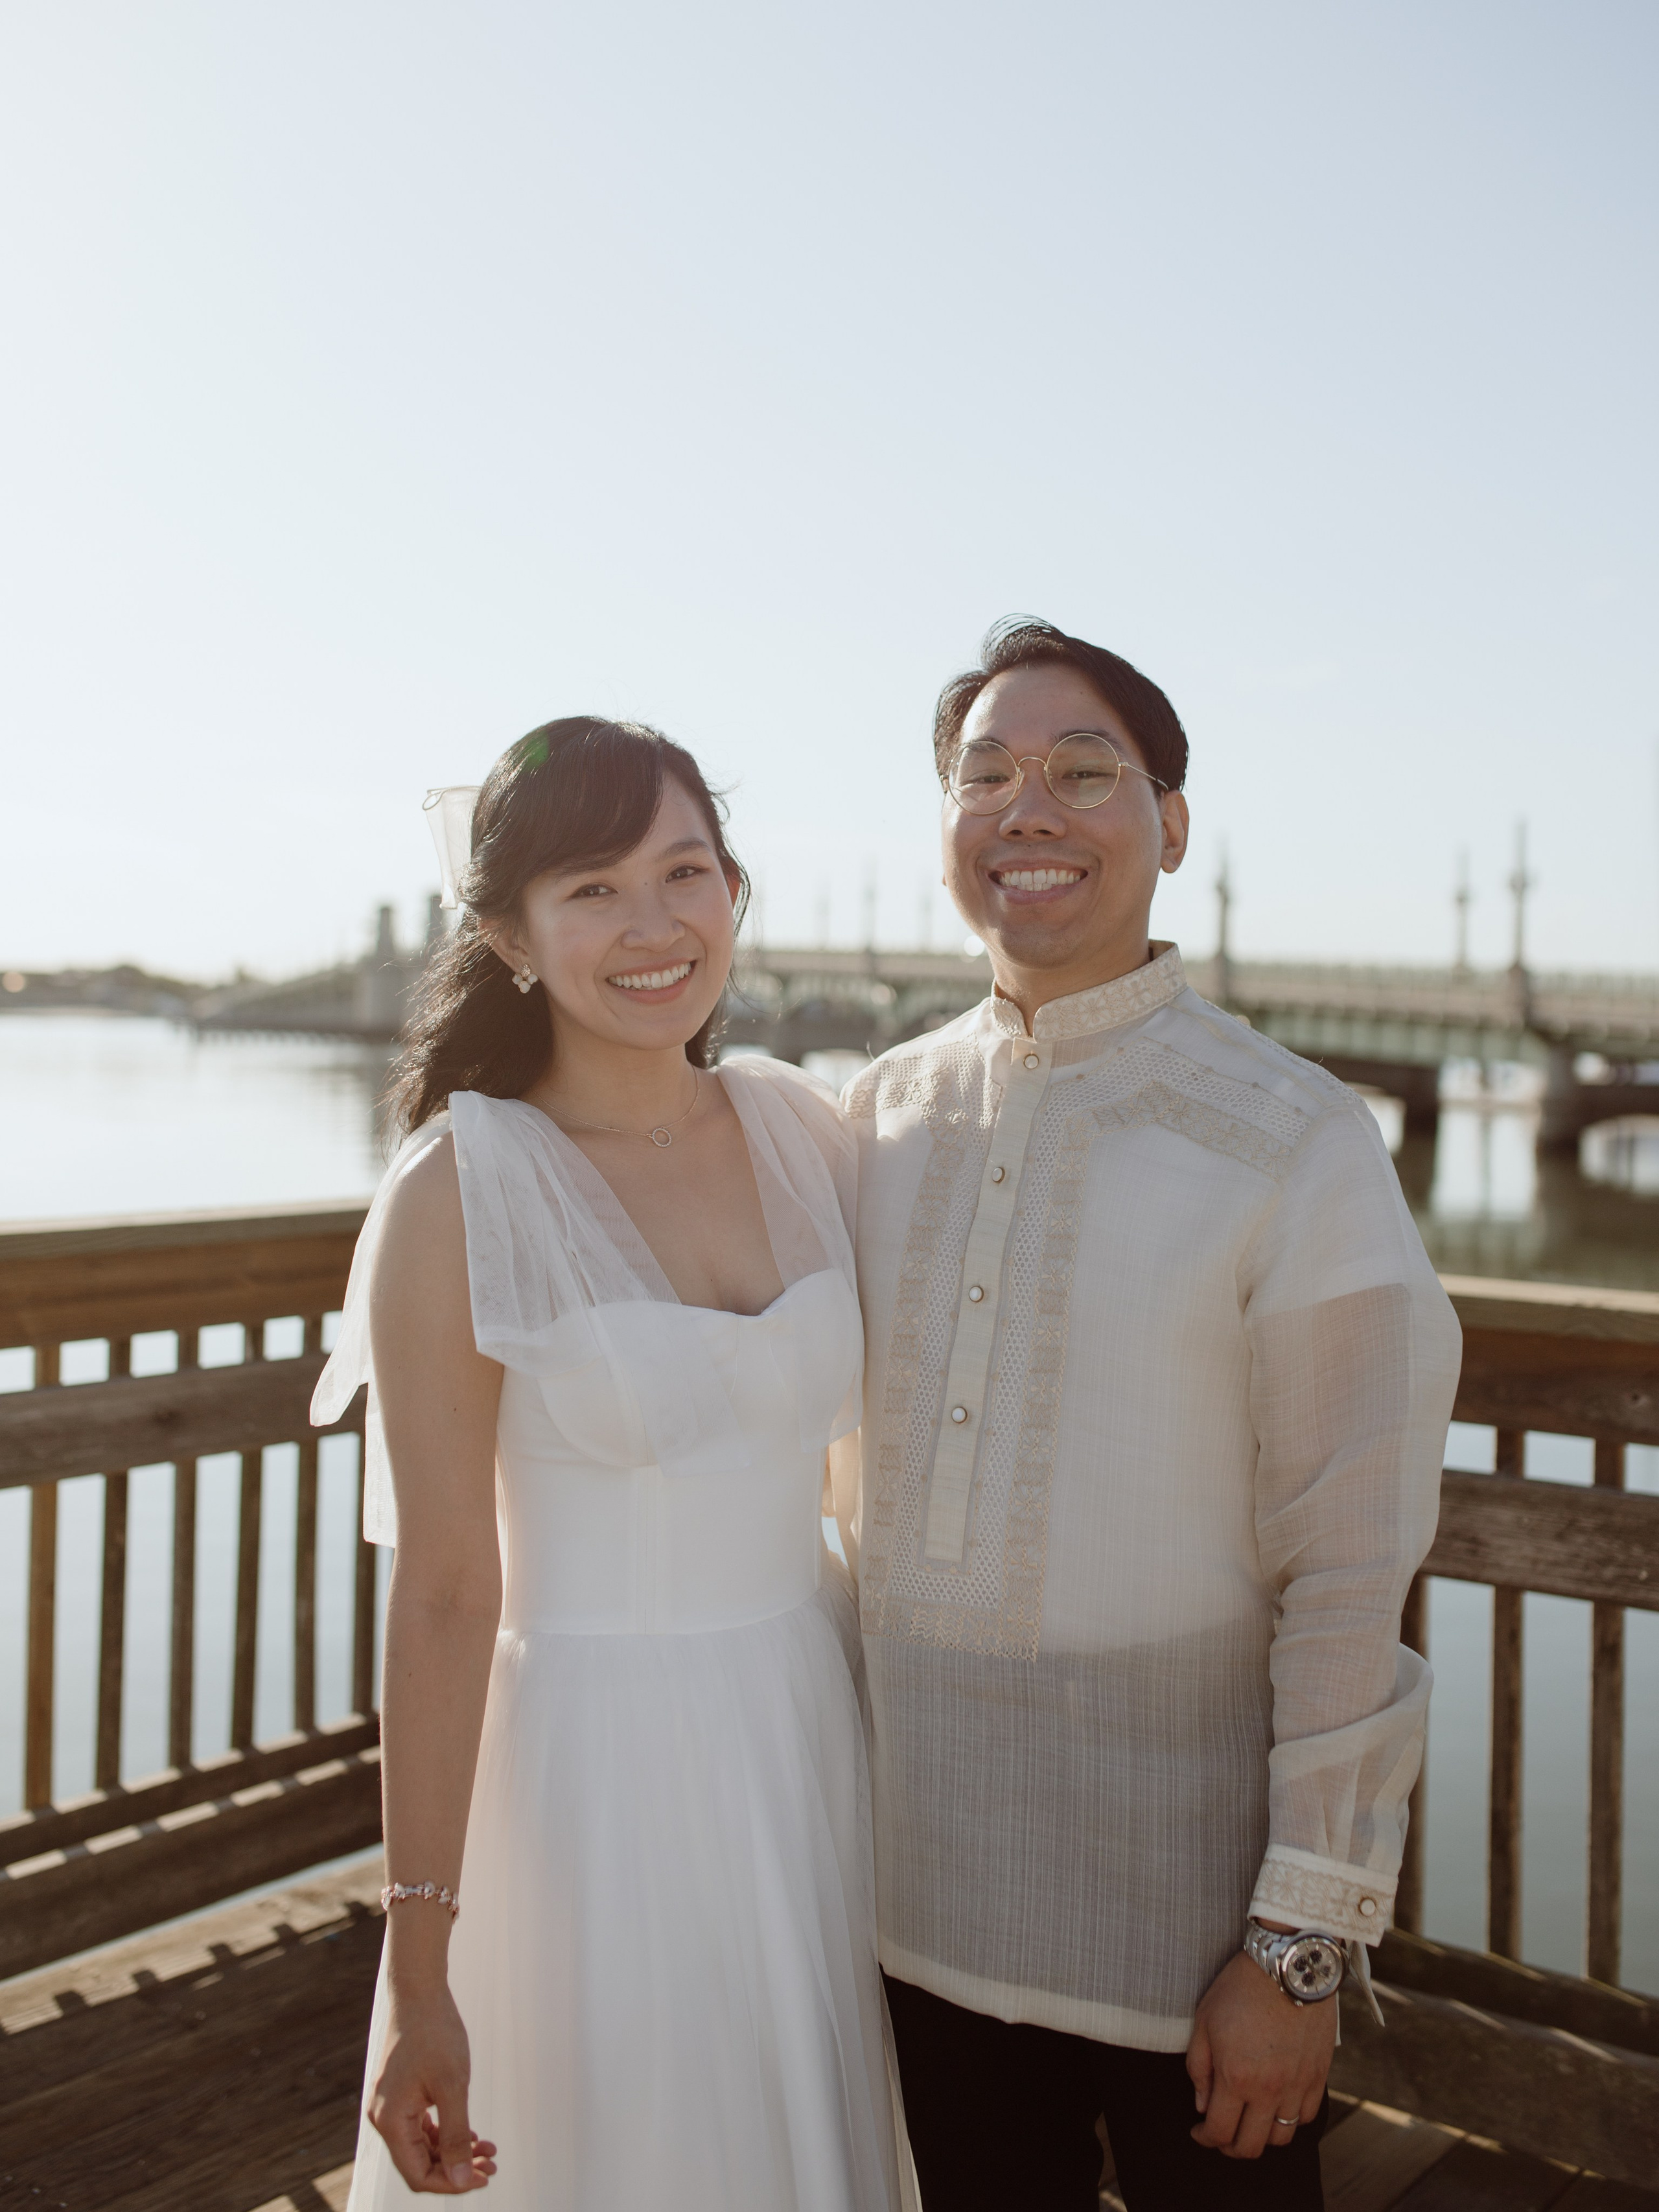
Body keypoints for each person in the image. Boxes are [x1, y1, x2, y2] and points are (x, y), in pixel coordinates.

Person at [831, 618, 1461, 2210]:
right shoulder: (871, 1118)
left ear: (1171, 826)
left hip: (1189, 1945)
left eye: (1082, 772)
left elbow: (1348, 1565)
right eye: (984, 776)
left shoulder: (1291, 1139)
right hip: (907, 1913)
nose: (1026, 810)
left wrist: (1297, 1947)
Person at [312, 717, 902, 2211]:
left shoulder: (805, 1130)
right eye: (591, 889)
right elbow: (445, 1590)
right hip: (588, 1773)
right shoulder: (463, 1191)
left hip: (805, 1730)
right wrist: (420, 1969)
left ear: (733, 892)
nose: (653, 926)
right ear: (510, 937)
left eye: (684, 872)